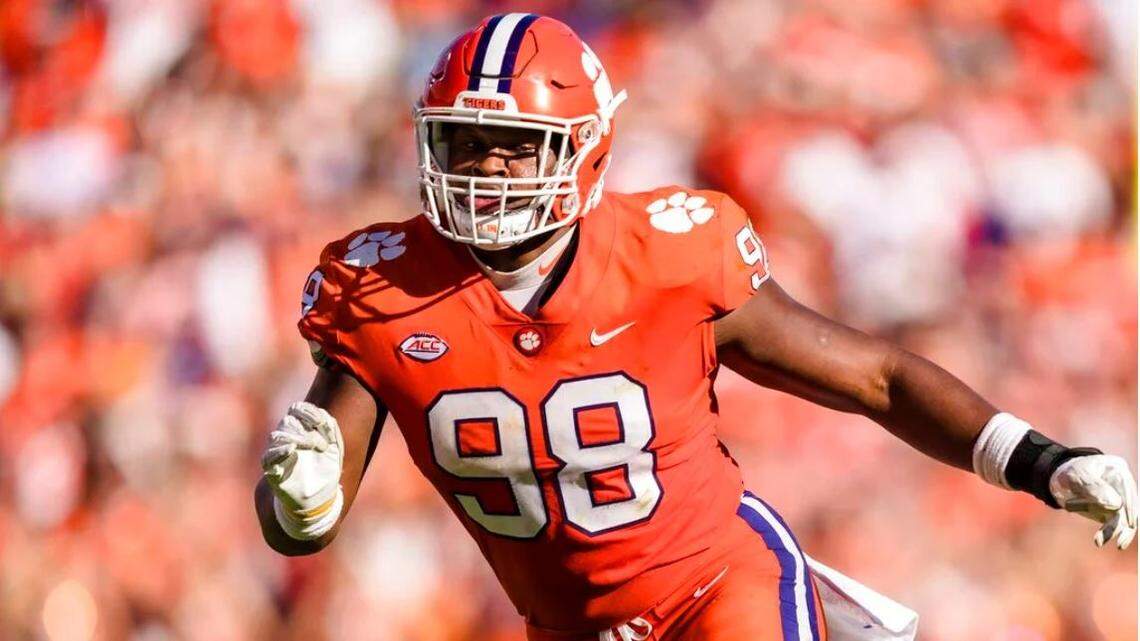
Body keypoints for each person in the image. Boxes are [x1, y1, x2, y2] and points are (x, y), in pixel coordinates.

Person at [254, 14, 1137, 641]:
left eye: (516, 145)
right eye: (464, 142)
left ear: (585, 147)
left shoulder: (671, 255)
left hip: (720, 587)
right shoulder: (380, 289)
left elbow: (877, 377)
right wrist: (297, 506)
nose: (486, 168)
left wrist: (1040, 460)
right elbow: (302, 516)